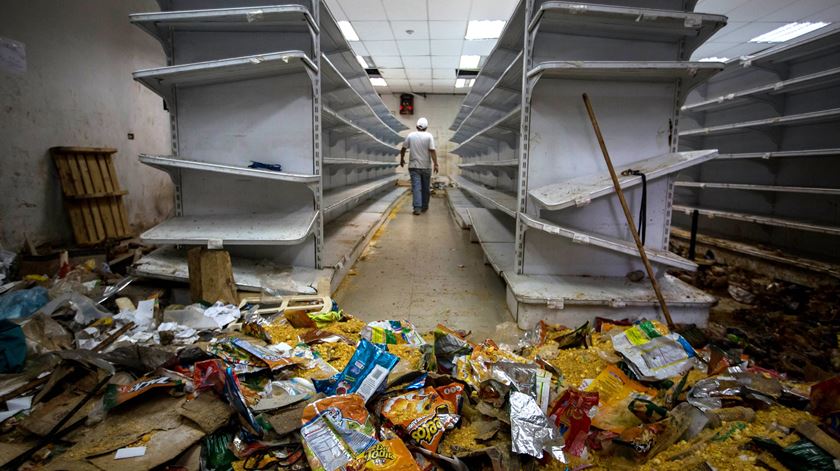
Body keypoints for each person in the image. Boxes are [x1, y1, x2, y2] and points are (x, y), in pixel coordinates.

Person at [400, 117, 438, 215]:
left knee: (416, 187)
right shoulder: (429, 136)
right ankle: (424, 207)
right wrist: (436, 164)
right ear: (426, 127)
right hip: (426, 167)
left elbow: (403, 148)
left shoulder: (411, 135)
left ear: (417, 126)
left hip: (414, 166)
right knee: (426, 188)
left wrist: (402, 158)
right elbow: (432, 151)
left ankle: (417, 208)